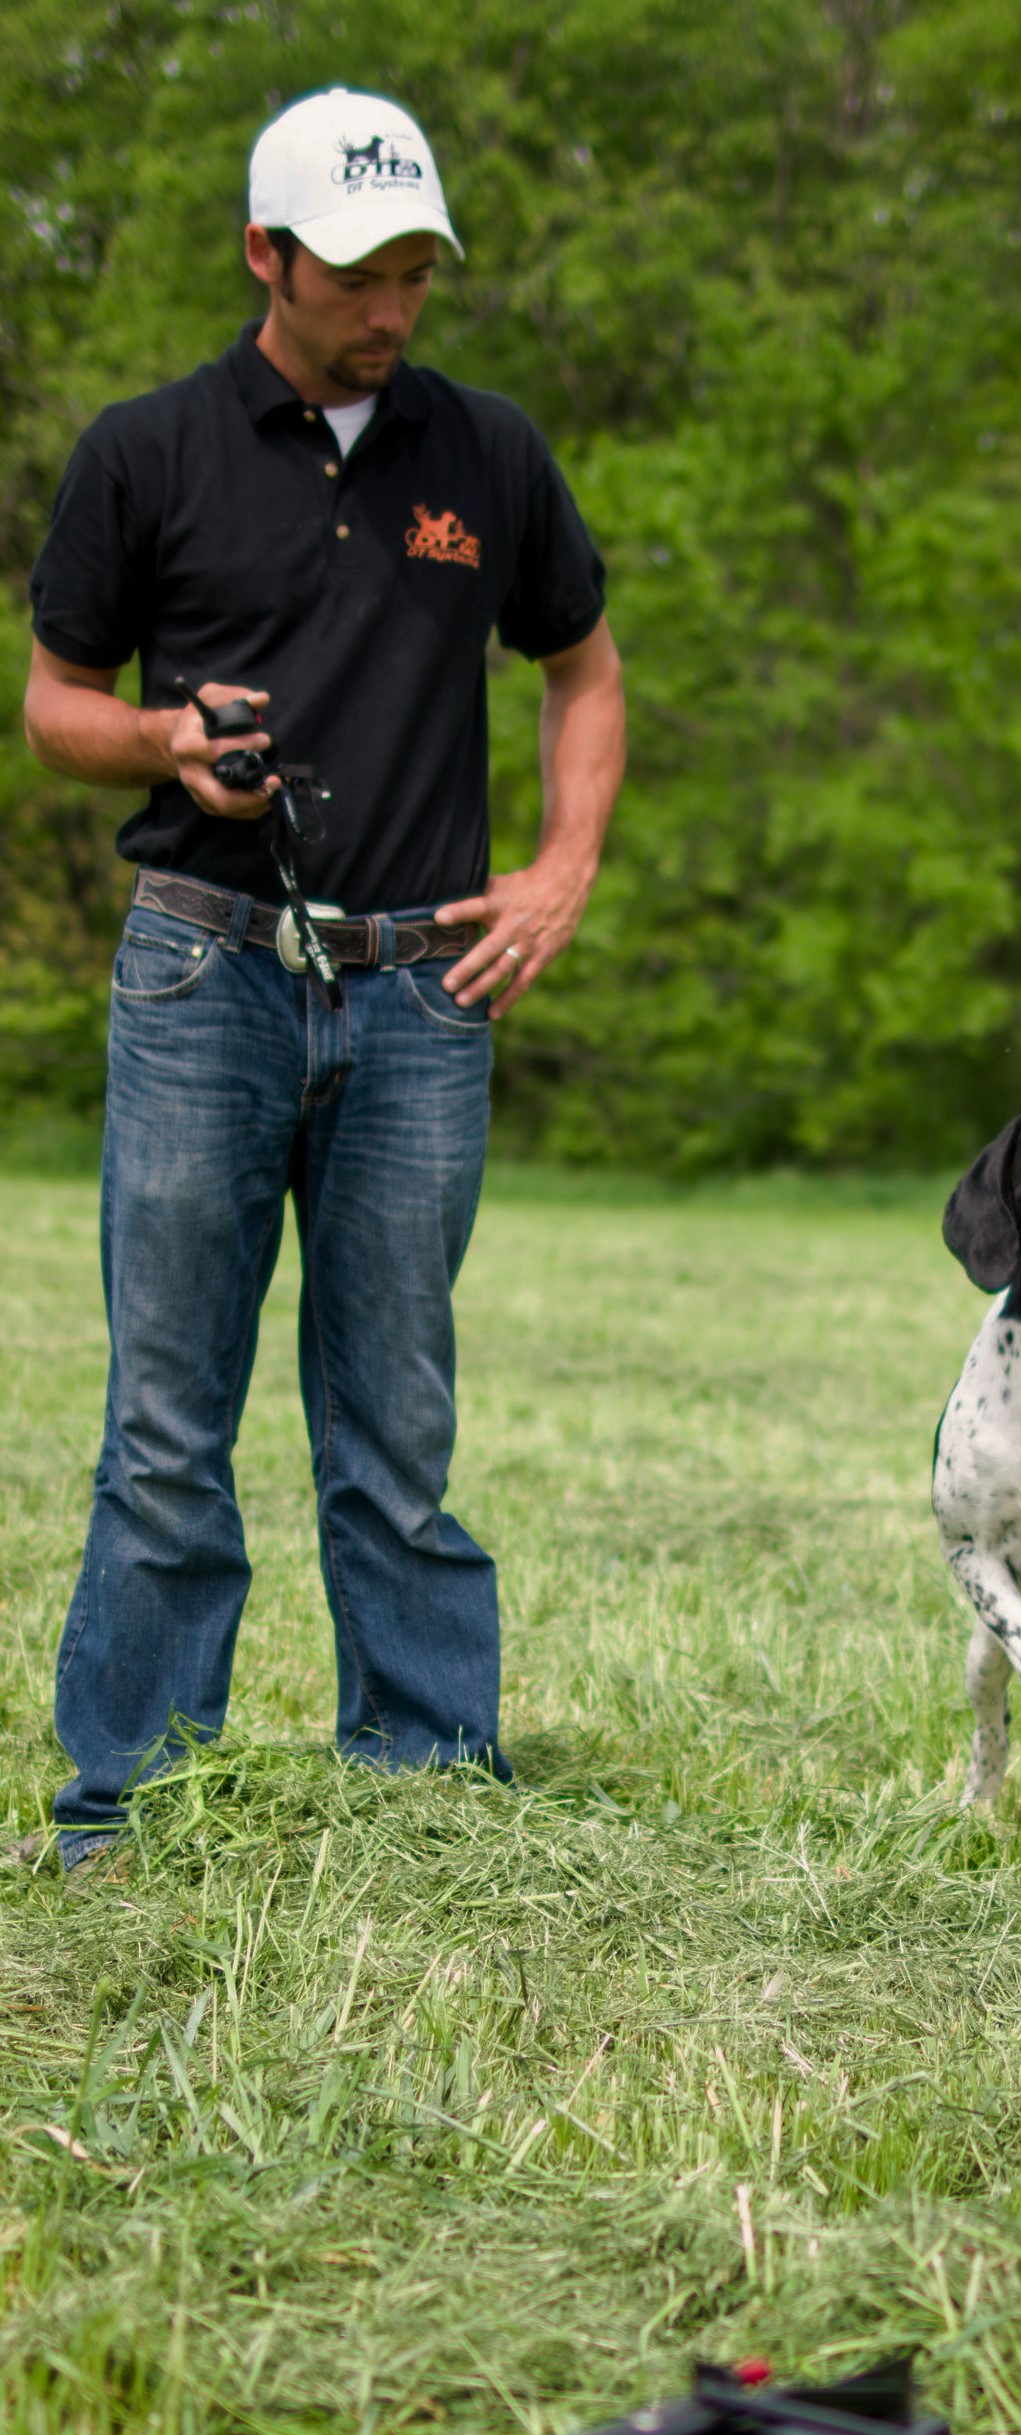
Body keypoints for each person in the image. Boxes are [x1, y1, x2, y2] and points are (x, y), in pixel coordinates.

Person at [21, 86, 626, 1866]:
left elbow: (581, 667)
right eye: (358, 270)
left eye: (418, 269)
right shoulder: (144, 452)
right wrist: (157, 739)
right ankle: (127, 1802)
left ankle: (427, 1783)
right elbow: (54, 709)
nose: (392, 305)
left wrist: (562, 866)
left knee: (395, 1416)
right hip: (200, 973)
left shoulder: (488, 452)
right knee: (165, 1423)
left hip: (422, 992)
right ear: (264, 253)